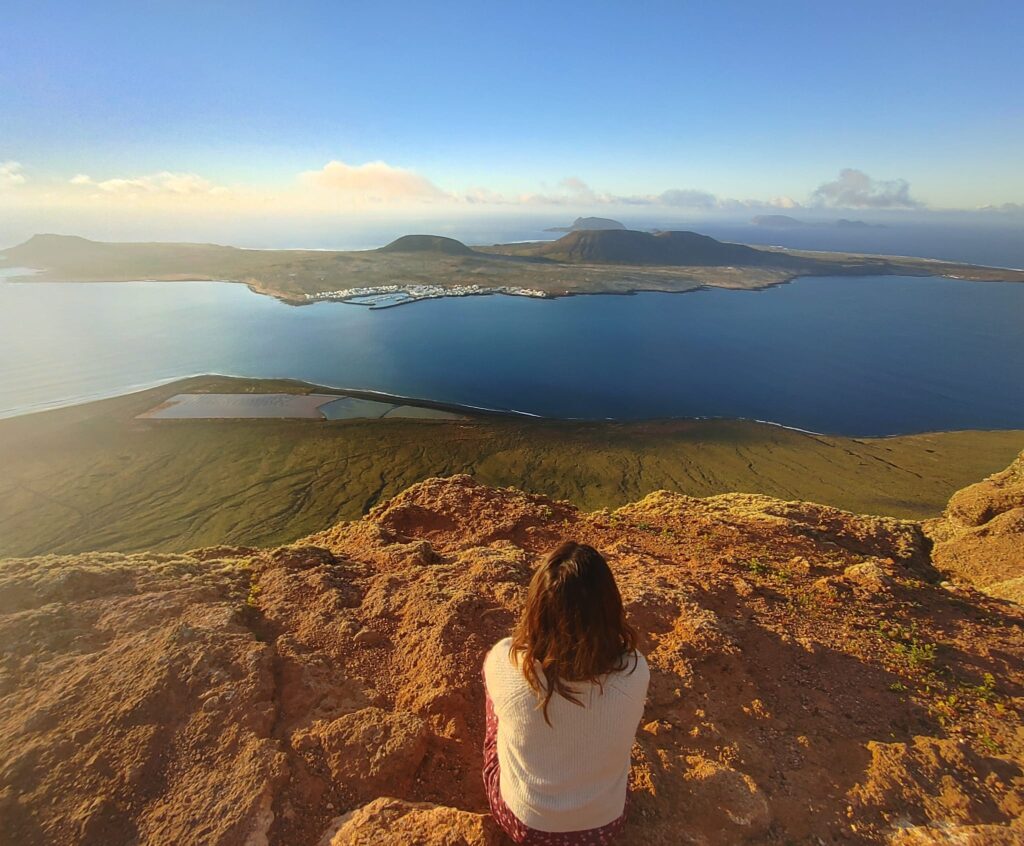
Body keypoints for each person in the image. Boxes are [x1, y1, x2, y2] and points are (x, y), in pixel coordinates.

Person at [482, 541, 650, 844]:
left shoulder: (505, 663)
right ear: (609, 607)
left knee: (498, 714)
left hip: (526, 824)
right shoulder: (635, 671)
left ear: (536, 609)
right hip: (604, 825)